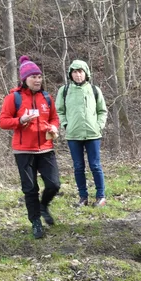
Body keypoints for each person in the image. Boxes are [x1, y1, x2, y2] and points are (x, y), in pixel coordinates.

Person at [0, 56, 61, 239]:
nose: (37, 80)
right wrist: (20, 120)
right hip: (23, 151)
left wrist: (54, 127)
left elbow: (54, 118)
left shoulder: (47, 97)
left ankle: (44, 205)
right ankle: (35, 222)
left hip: (46, 149)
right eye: (33, 76)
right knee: (30, 188)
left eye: (39, 76)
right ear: (24, 79)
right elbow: (2, 121)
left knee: (54, 184)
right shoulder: (14, 98)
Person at [56, 59, 108, 207]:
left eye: (80, 72)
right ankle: (83, 197)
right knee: (78, 166)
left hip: (93, 134)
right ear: (70, 74)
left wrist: (99, 126)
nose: (78, 75)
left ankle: (101, 196)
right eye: (75, 72)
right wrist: (66, 124)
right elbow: (60, 111)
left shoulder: (94, 90)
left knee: (95, 165)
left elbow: (102, 111)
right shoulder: (64, 91)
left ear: (86, 73)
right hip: (73, 135)